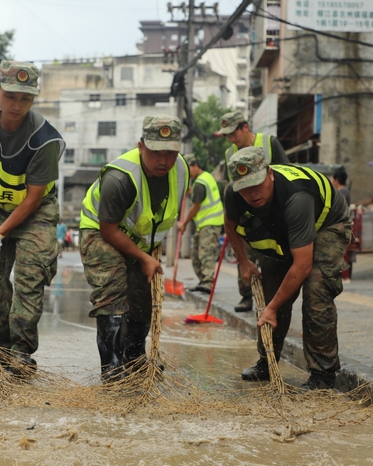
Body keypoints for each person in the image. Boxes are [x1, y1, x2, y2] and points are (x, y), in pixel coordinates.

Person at [0, 60, 65, 372]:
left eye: (26, 99)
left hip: (37, 212)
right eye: (11, 96)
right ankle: (0, 349)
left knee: (30, 280)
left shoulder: (44, 139)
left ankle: (21, 352)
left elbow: (33, 198)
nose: (17, 105)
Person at [223, 147, 351, 390]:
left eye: (257, 184)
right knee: (273, 293)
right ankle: (267, 361)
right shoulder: (234, 192)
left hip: (326, 224)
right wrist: (243, 262)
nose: (252, 194)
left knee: (316, 289)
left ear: (269, 174)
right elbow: (229, 223)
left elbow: (302, 265)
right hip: (285, 229)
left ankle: (323, 374)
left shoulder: (297, 196)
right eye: (245, 188)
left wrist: (271, 308)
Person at [80, 115, 188, 380]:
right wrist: (143, 257)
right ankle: (113, 366)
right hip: (100, 232)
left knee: (142, 299)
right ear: (141, 147)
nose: (163, 160)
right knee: (113, 290)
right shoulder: (120, 178)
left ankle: (134, 356)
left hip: (140, 243)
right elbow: (109, 229)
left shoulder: (181, 169)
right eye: (155, 152)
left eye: (170, 152)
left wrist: (145, 256)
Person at [216, 109, 289, 313]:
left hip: (272, 212)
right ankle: (247, 296)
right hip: (246, 214)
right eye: (228, 135)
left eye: (234, 133)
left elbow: (284, 174)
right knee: (244, 254)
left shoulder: (269, 142)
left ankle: (270, 299)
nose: (231, 138)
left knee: (270, 257)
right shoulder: (230, 153)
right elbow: (230, 186)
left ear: (245, 127)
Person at [179, 153, 224, 293]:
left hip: (209, 223)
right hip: (206, 223)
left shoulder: (199, 183)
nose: (188, 173)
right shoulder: (207, 177)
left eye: (189, 169)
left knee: (206, 253)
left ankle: (208, 282)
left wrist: (184, 223)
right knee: (196, 254)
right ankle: (204, 280)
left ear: (195, 166)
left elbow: (196, 206)